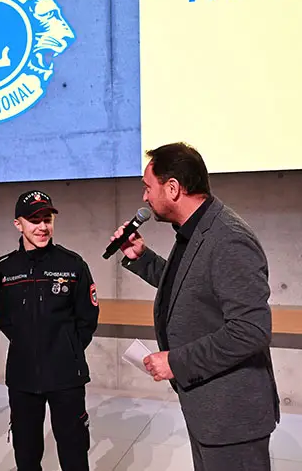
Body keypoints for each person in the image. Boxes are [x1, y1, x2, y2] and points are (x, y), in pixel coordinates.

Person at [114, 142, 279, 471]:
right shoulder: (195, 230)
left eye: (148, 187)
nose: (145, 197)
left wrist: (175, 361)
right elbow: (188, 288)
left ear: (172, 188)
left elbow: (250, 331)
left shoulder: (228, 238)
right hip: (210, 410)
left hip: (232, 416)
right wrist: (142, 258)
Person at [0, 190, 99, 471]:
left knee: (74, 452)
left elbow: (87, 317)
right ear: (18, 224)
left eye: (47, 219)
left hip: (66, 375)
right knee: (26, 453)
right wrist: (27, 343)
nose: (42, 227)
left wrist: (67, 349)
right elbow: (3, 317)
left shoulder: (72, 264)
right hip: (22, 376)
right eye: (34, 220)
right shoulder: (5, 268)